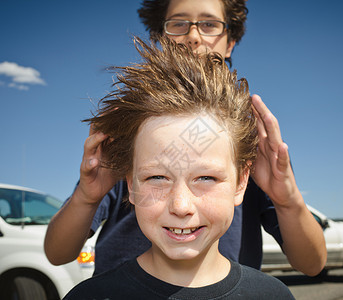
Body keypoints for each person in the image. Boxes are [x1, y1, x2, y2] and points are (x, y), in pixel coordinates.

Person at [45, 0, 326, 277]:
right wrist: (86, 196)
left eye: (209, 24)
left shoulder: (245, 136)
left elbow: (311, 264)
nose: (192, 36)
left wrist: (287, 199)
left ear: (230, 42)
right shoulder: (130, 126)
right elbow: (58, 254)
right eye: (178, 24)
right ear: (159, 38)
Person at [63, 36, 295, 300]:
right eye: (157, 177)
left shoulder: (273, 296)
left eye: (206, 177)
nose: (181, 206)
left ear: (241, 182)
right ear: (130, 184)